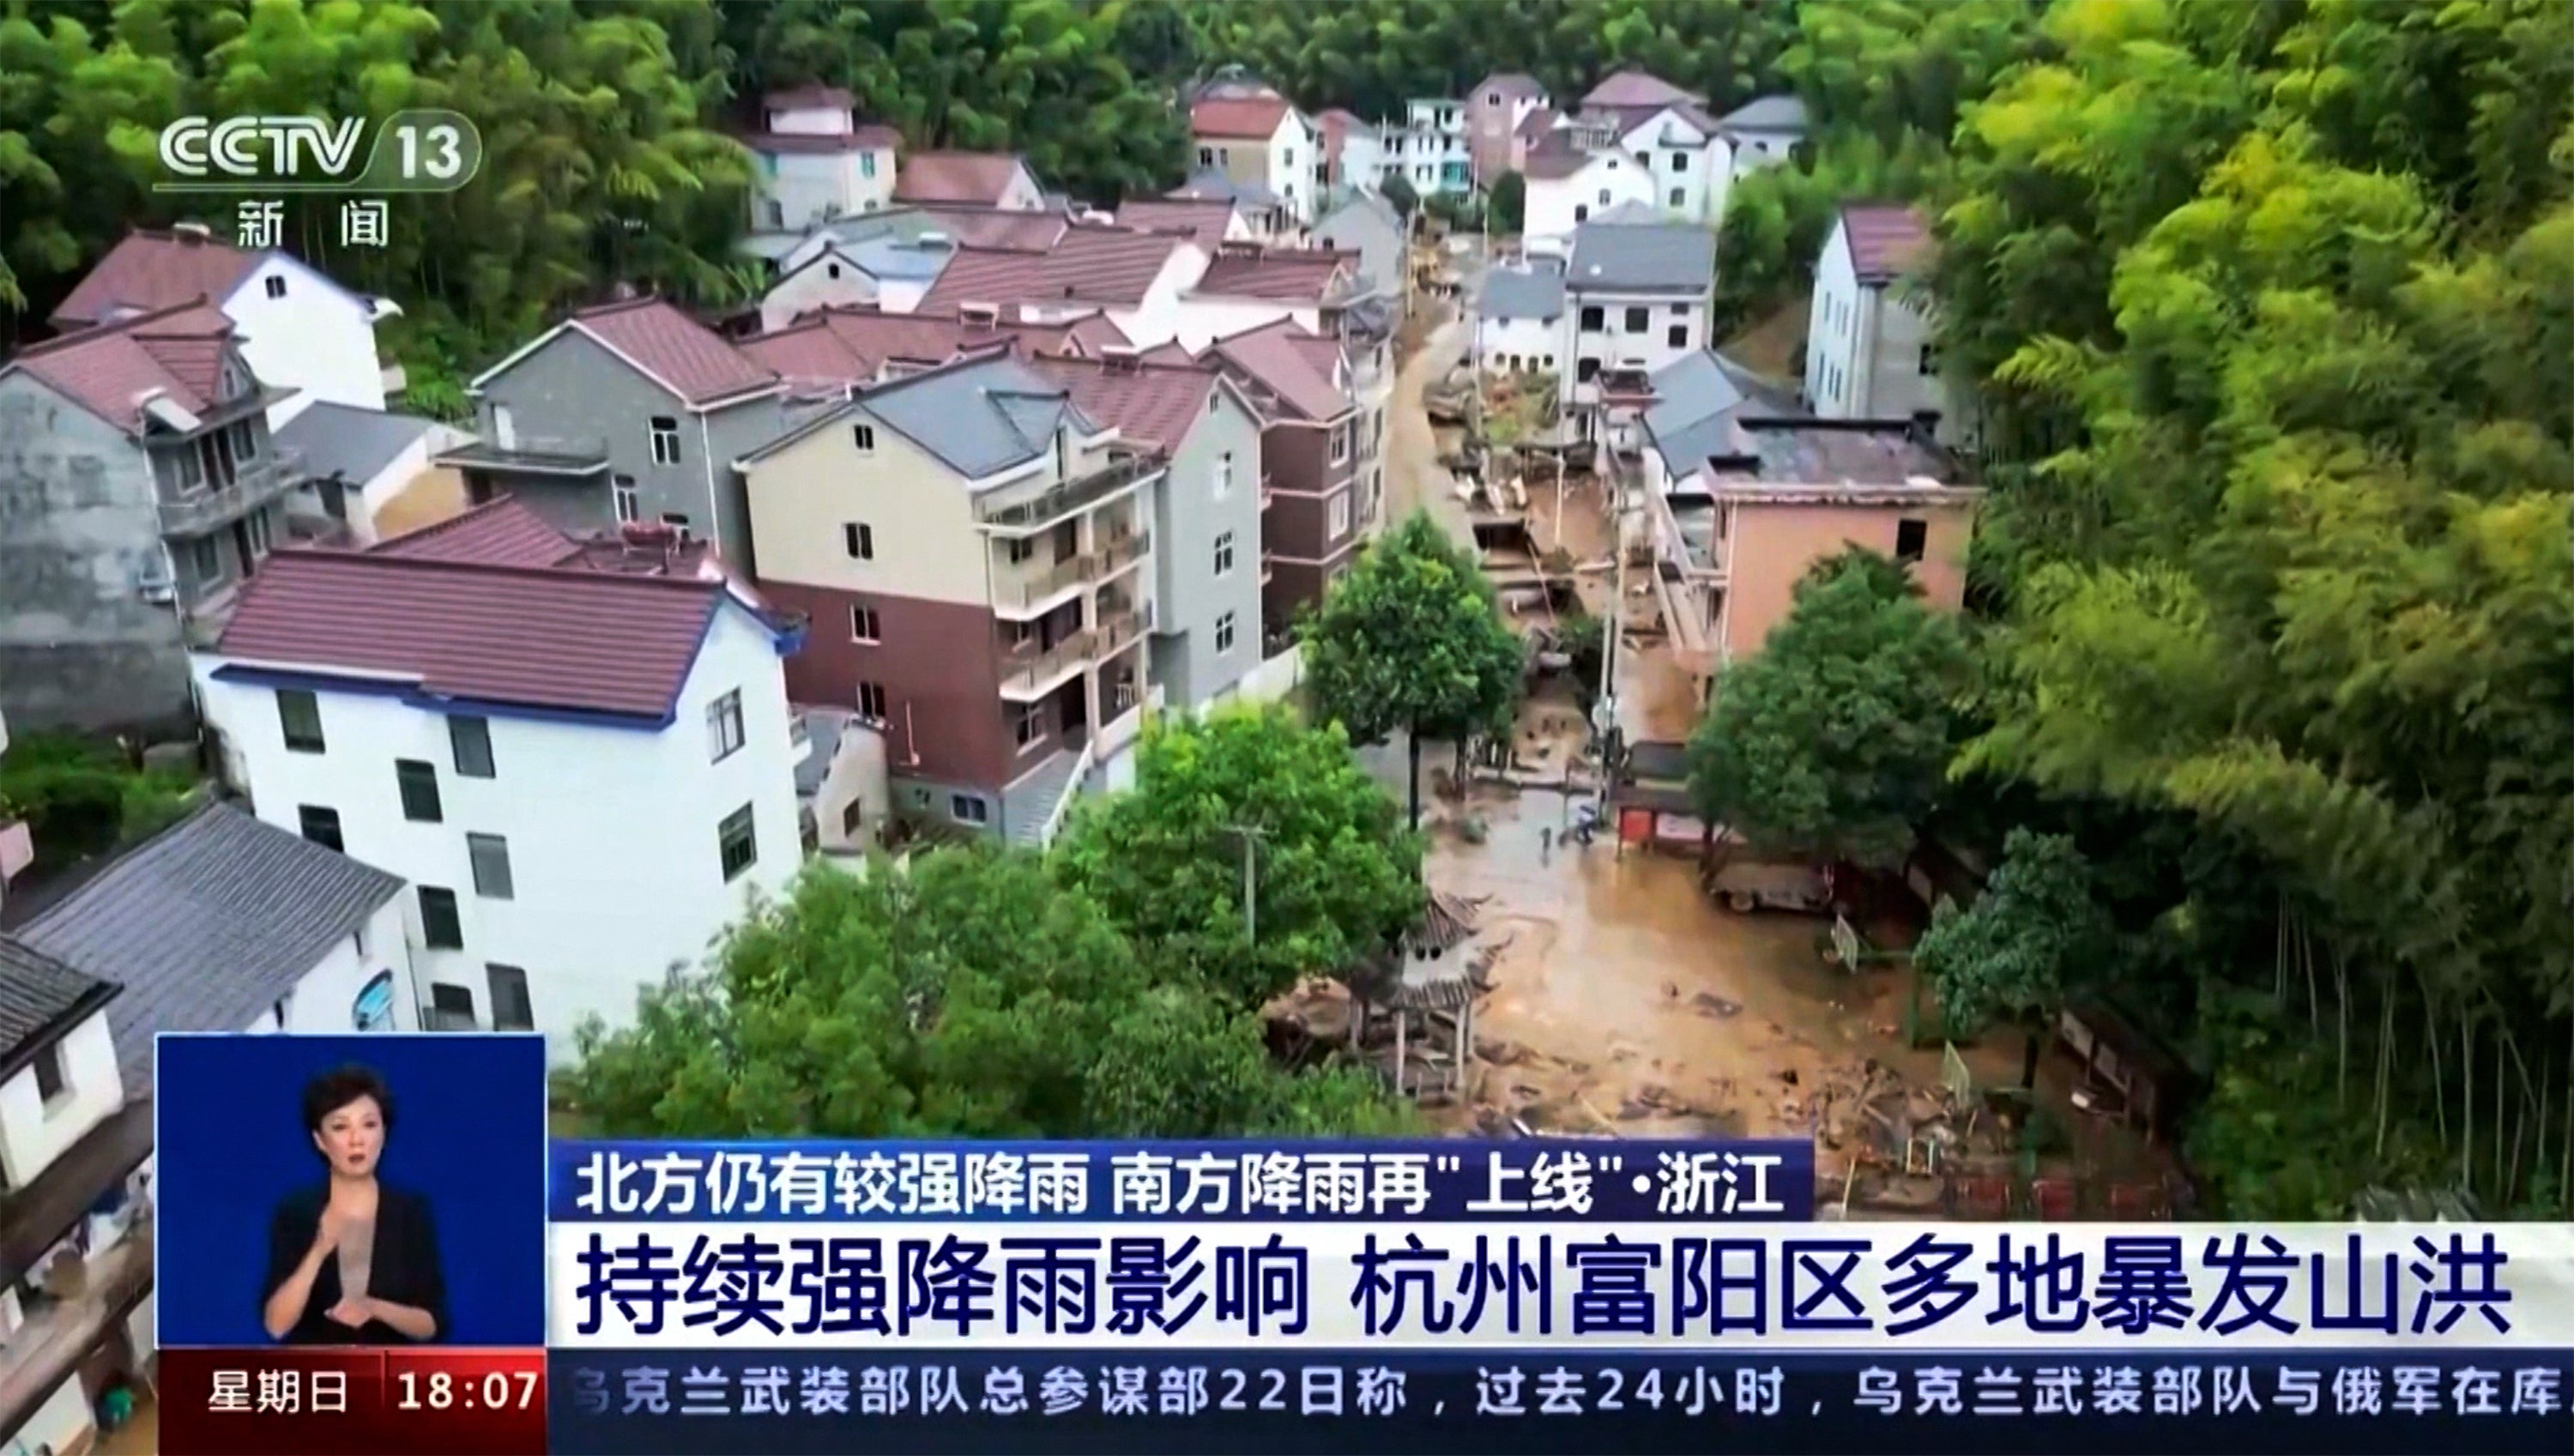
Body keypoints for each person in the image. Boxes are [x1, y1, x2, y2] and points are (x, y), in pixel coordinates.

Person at [261, 1064, 447, 1344]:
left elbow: (432, 1323)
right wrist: (319, 1249)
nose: (356, 1140)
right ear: (320, 1141)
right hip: (317, 1379)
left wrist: (374, 1308)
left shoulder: (410, 1212)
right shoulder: (296, 1213)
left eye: (369, 1125)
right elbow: (276, 1325)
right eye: (340, 1127)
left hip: (388, 1376)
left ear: (383, 1133)